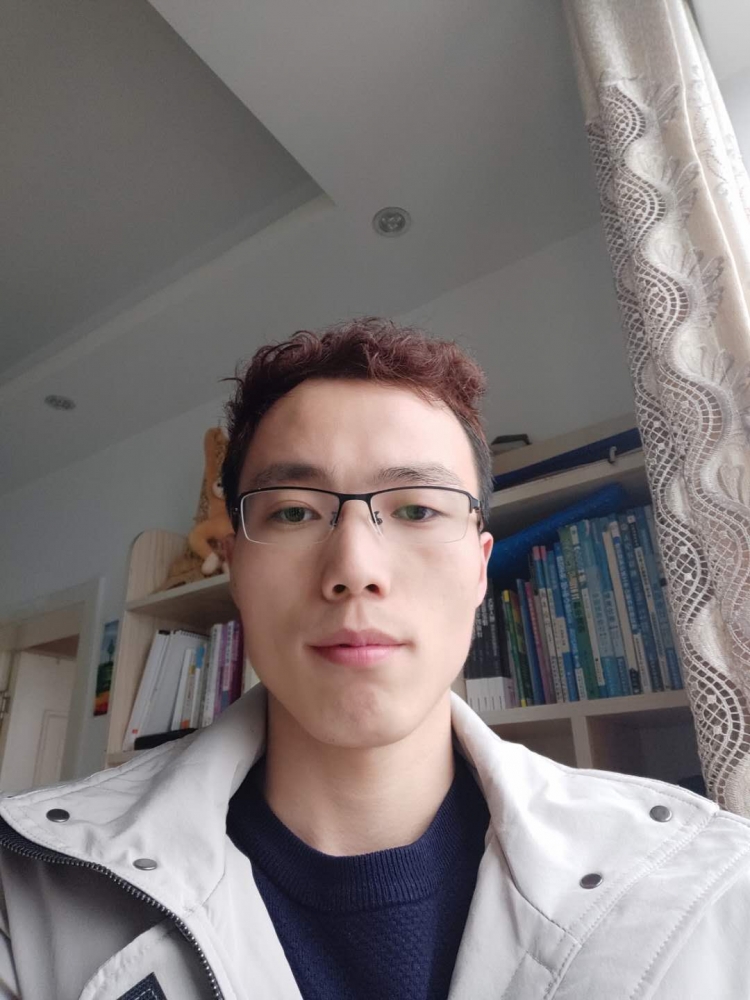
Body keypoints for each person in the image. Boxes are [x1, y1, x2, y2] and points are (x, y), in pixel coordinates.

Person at [0, 318, 749, 1000]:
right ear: (235, 566)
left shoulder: (706, 885)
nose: (355, 568)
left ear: (480, 566)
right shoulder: (27, 891)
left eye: (417, 508)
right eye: (295, 511)